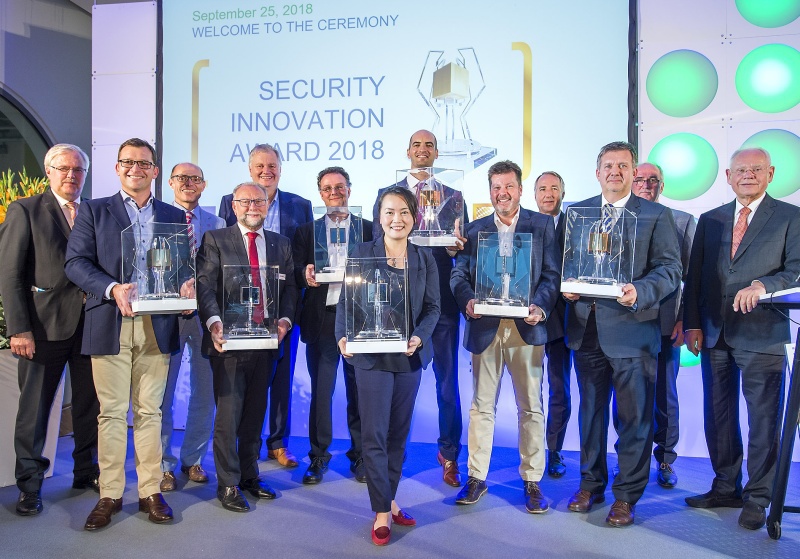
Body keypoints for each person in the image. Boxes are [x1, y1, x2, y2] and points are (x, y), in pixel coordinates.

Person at [65, 138, 186, 530]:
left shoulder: (172, 214)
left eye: (144, 163)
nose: (136, 168)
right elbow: (75, 262)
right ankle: (110, 494)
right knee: (112, 413)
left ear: (155, 170)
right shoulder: (94, 210)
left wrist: (186, 285)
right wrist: (111, 288)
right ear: (118, 168)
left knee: (150, 412)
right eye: (128, 162)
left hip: (157, 324)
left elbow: (182, 267)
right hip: (110, 321)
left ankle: (150, 491)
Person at [563, 141, 681, 527]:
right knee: (590, 414)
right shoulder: (576, 212)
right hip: (586, 329)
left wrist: (639, 291)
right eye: (608, 165)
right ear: (597, 172)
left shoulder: (656, 215)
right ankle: (590, 485)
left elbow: (669, 270)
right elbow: (565, 262)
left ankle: (627, 495)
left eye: (623, 166)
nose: (615, 171)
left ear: (633, 172)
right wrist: (567, 286)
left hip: (633, 330)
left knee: (634, 419)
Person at [683, 147, 800, 531]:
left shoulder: (791, 217)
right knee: (718, 417)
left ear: (771, 173)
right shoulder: (711, 219)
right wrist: (692, 323)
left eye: (756, 169)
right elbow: (695, 277)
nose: (748, 175)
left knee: (763, 422)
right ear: (729, 176)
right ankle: (725, 487)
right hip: (714, 333)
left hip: (762, 333)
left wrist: (764, 284)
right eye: (741, 170)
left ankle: (758, 498)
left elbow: (796, 269)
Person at [450, 160, 560, 512]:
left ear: (520, 189)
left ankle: (532, 481)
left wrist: (540, 306)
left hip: (527, 327)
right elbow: (459, 275)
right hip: (485, 326)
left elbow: (552, 275)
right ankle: (476, 477)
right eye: (496, 187)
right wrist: (467, 301)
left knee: (531, 407)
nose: (502, 193)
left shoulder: (542, 225)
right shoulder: (475, 229)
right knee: (481, 406)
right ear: (490, 191)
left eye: (509, 186)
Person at [0, 143, 99, 516]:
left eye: (78, 170)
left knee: (90, 404)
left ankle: (86, 471)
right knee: (35, 410)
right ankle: (29, 485)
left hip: (91, 326)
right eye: (64, 168)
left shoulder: (93, 212)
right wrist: (19, 328)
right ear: (49, 171)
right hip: (42, 329)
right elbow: (9, 274)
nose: (71, 175)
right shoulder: (25, 210)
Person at [337, 186, 440, 545]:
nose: (397, 219)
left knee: (398, 435)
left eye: (404, 212)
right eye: (389, 212)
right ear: (379, 218)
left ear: (414, 217)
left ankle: (389, 499)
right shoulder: (361, 252)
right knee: (375, 435)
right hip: (371, 357)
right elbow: (346, 301)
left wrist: (420, 337)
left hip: (408, 356)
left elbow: (433, 308)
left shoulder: (424, 257)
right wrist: (342, 336)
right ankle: (382, 511)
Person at [371, 129, 467, 487]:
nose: (422, 150)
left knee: (447, 384)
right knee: (391, 384)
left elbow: (461, 249)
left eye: (429, 145)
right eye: (417, 144)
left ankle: (449, 454)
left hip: (439, 303)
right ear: (407, 151)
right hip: (396, 304)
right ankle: (387, 455)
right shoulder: (387, 195)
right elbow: (376, 246)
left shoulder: (454, 196)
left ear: (437, 153)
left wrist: (457, 248)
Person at [196, 181, 297, 513]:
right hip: (228, 343)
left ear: (267, 205)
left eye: (259, 201)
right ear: (234, 206)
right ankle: (228, 482)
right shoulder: (215, 239)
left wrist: (284, 322)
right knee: (228, 416)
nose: (253, 206)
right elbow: (205, 286)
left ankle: (250, 474)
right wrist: (214, 323)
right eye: (245, 201)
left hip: (267, 343)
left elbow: (290, 289)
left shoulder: (281, 244)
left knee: (255, 412)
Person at [218, 144, 311, 468]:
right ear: (250, 169)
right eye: (259, 166)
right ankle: (246, 444)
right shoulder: (230, 202)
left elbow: (304, 256)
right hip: (240, 310)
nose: (266, 171)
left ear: (280, 169)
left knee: (282, 378)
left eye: (272, 166)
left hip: (283, 308)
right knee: (244, 383)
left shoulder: (300, 205)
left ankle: (278, 443)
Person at [292, 167, 372, 484]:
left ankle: (361, 456)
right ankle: (318, 457)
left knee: (360, 392)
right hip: (322, 319)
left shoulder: (369, 229)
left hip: (359, 319)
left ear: (349, 189)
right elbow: (296, 269)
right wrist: (305, 274)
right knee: (322, 393)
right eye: (327, 188)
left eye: (339, 187)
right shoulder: (306, 232)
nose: (334, 193)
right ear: (320, 194)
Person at [159, 162, 225, 492]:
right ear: (171, 183)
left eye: (195, 178)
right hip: (166, 316)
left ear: (204, 185)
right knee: (162, 394)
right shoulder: (157, 218)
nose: (188, 183)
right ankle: (163, 465)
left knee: (206, 391)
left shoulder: (217, 224)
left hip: (205, 317)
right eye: (181, 178)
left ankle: (193, 459)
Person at [630, 162, 695, 488]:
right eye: (640, 179)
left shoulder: (682, 221)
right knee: (627, 394)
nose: (646, 185)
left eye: (653, 180)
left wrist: (685, 319)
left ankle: (666, 458)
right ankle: (631, 458)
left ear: (662, 185)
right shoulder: (619, 219)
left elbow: (691, 278)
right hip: (628, 322)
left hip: (667, 322)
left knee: (665, 394)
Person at [533, 170, 572, 478]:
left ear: (563, 193)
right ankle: (532, 449)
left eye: (554, 188)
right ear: (534, 195)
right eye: (543, 189)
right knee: (531, 391)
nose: (549, 194)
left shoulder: (576, 224)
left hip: (566, 320)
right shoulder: (526, 225)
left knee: (560, 387)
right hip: (530, 319)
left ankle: (554, 448)